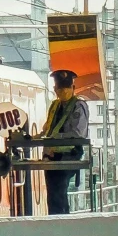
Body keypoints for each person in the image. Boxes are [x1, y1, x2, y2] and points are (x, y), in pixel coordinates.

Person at [41, 67, 90, 216]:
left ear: (73, 88)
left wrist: (57, 138)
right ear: (55, 89)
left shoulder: (79, 106)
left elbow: (78, 133)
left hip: (70, 154)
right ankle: (57, 220)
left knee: (59, 190)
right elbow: (48, 129)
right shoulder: (54, 106)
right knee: (53, 193)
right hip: (51, 155)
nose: (63, 92)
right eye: (60, 89)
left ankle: (61, 221)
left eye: (66, 88)